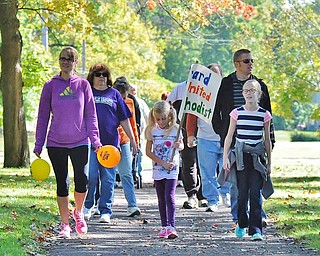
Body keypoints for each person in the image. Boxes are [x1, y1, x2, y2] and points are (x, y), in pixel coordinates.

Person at [33, 46, 102, 238]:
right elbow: (42, 117)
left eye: (69, 59)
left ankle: (78, 213)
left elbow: (91, 115)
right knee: (62, 183)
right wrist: (38, 144)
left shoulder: (83, 85)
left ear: (75, 62)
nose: (65, 62)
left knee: (83, 180)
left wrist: (95, 140)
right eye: (62, 58)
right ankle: (65, 224)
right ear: (59, 61)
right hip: (56, 142)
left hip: (80, 141)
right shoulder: (50, 86)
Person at [212, 49, 275, 226]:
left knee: (258, 179)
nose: (251, 64)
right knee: (237, 183)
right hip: (235, 142)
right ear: (237, 64)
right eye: (246, 61)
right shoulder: (226, 84)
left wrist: (270, 139)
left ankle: (258, 217)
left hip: (256, 143)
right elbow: (216, 112)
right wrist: (224, 134)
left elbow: (268, 115)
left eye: (252, 60)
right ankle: (239, 217)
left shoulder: (259, 86)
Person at [83, 63, 138, 223]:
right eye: (98, 74)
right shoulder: (87, 93)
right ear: (92, 77)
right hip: (91, 143)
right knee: (91, 176)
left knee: (108, 179)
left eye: (104, 75)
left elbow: (124, 119)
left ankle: (105, 210)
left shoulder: (114, 94)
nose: (101, 77)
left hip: (110, 144)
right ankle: (88, 206)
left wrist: (133, 140)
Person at [223, 79, 272, 240]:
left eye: (252, 90)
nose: (249, 93)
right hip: (241, 157)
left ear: (259, 94)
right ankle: (241, 223)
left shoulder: (264, 114)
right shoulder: (236, 113)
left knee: (255, 194)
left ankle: (256, 229)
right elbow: (229, 136)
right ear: (242, 93)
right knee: (242, 193)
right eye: (246, 90)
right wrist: (225, 158)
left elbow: (267, 140)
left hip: (257, 158)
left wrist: (269, 162)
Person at [186, 63, 230, 212]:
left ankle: (226, 193)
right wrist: (190, 134)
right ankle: (212, 200)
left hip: (225, 138)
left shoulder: (226, 92)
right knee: (207, 173)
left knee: (227, 169)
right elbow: (191, 113)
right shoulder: (199, 93)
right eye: (210, 75)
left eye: (216, 75)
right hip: (205, 138)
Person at [166, 67, 206, 209]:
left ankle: (203, 196)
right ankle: (192, 195)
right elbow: (168, 106)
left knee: (203, 165)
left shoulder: (206, 90)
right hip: (183, 130)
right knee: (188, 164)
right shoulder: (180, 88)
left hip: (203, 131)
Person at [145, 100, 184, 239]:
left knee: (169, 196)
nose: (161, 122)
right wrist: (161, 163)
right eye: (158, 119)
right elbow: (148, 152)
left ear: (169, 116)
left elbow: (182, 146)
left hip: (172, 169)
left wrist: (179, 145)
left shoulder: (176, 130)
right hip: (158, 168)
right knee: (161, 198)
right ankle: (163, 226)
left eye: (163, 118)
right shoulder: (152, 131)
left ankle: (171, 226)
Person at [113, 76, 141, 216]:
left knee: (126, 173)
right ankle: (103, 205)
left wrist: (135, 140)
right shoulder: (109, 100)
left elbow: (132, 122)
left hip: (124, 140)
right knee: (108, 175)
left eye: (124, 95)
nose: (123, 98)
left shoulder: (130, 102)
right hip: (110, 141)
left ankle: (132, 204)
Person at [129, 84, 150, 187]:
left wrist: (147, 130)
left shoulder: (141, 102)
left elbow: (147, 117)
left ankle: (138, 173)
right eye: (131, 90)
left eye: (134, 90)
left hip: (139, 133)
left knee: (138, 155)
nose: (133, 92)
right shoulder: (125, 101)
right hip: (127, 134)